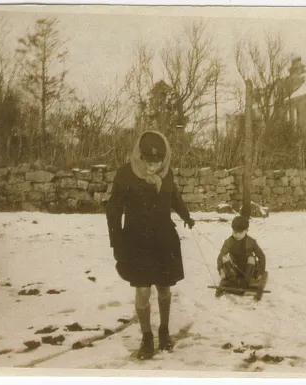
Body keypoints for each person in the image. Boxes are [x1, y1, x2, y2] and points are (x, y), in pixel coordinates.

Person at [106, 130, 195, 360]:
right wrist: (116, 242)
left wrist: (186, 216)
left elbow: (173, 196)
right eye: (149, 161)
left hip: (163, 240)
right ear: (140, 156)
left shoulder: (168, 173)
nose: (153, 166)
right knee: (143, 290)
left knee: (164, 289)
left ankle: (164, 330)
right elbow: (113, 209)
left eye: (158, 161)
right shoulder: (126, 175)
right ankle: (147, 336)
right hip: (137, 242)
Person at [216, 215, 266, 288]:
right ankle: (232, 279)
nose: (237, 235)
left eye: (240, 233)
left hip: (248, 268)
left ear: (246, 231)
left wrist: (260, 272)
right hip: (234, 268)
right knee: (224, 258)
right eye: (235, 232)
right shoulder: (229, 242)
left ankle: (245, 281)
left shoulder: (251, 242)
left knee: (251, 259)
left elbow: (261, 256)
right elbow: (221, 256)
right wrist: (221, 270)